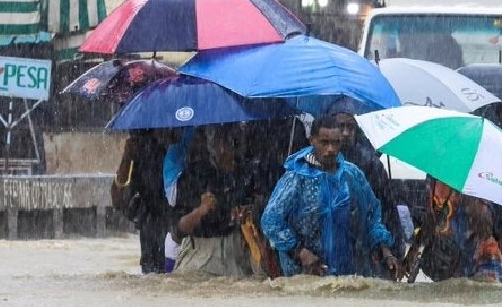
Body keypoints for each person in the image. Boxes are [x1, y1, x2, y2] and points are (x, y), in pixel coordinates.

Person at [261, 116, 400, 279]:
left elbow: (372, 215)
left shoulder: (352, 175)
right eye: (324, 142)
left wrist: (385, 250)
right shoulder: (296, 178)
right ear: (312, 140)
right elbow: (271, 221)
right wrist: (300, 252)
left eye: (335, 143)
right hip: (305, 275)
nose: (331, 149)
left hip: (350, 274)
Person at [170, 125, 255, 277]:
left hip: (238, 253)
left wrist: (248, 214)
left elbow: (261, 210)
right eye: (217, 141)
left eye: (228, 142)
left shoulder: (248, 173)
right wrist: (200, 211)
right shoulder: (193, 175)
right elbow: (177, 232)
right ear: (209, 144)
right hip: (201, 255)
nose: (222, 149)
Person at [331, 106, 405, 266]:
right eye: (340, 126)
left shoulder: (370, 164)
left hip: (363, 244)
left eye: (350, 127)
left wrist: (389, 249)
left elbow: (384, 207)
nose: (345, 133)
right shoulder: (313, 164)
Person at [404, 177, 502, 283]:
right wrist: (413, 251)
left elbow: (485, 228)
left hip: (482, 264)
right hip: (450, 263)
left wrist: (471, 199)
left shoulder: (472, 178)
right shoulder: (433, 177)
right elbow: (430, 220)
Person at [111, 129, 171, 274]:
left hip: (177, 236)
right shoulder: (142, 153)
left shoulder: (179, 149)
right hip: (151, 240)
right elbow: (118, 200)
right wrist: (127, 159)